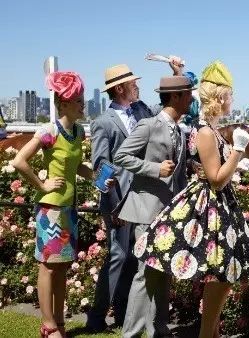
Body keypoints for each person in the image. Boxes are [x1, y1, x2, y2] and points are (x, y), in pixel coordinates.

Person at [132, 61, 249, 338]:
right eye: (230, 93)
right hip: (212, 207)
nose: (233, 99)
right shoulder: (204, 132)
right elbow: (215, 178)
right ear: (220, 97)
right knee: (220, 276)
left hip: (220, 204)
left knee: (224, 277)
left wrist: (236, 163)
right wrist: (238, 152)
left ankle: (210, 334)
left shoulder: (211, 130)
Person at [12, 71, 113, 338]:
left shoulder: (78, 132)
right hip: (51, 209)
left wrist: (97, 178)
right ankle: (47, 326)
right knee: (47, 266)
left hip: (68, 207)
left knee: (62, 266)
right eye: (78, 101)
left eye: (82, 100)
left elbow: (76, 166)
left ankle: (59, 321)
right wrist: (42, 185)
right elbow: (19, 161)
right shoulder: (49, 131)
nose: (83, 105)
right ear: (64, 103)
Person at [87, 59, 184, 332]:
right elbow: (101, 167)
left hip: (143, 200)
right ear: (120, 89)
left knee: (135, 258)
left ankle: (122, 314)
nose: (138, 85)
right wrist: (114, 205)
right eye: (133, 83)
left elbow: (168, 109)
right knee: (118, 256)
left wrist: (175, 73)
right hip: (119, 201)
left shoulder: (142, 111)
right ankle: (96, 317)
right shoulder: (103, 123)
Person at [114, 75, 192, 338]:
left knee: (163, 271)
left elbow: (178, 173)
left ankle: (159, 330)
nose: (191, 100)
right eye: (188, 95)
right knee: (145, 274)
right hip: (147, 210)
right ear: (176, 97)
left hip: (169, 213)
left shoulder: (181, 131)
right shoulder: (148, 125)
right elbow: (121, 156)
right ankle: (131, 334)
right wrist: (154, 169)